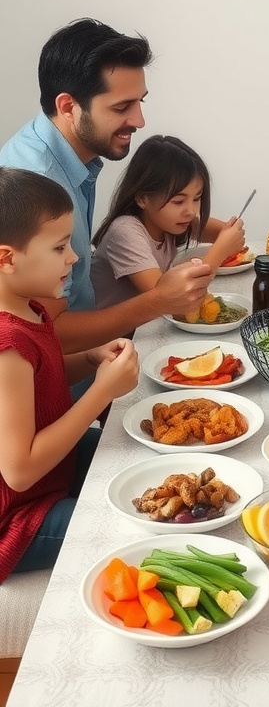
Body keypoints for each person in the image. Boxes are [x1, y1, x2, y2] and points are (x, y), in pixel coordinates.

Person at [0, 18, 211, 352]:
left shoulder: (69, 152)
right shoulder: (37, 183)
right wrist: (159, 300)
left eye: (140, 101)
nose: (140, 120)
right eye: (122, 107)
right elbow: (47, 331)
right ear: (68, 107)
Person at [0, 167, 139, 581]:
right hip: (19, 519)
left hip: (52, 474)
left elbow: (39, 377)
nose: (74, 257)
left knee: (135, 458)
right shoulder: (6, 345)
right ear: (7, 258)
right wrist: (100, 393)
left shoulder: (30, 306)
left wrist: (92, 358)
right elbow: (19, 471)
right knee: (131, 524)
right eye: (60, 247)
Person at [91, 134, 245, 311]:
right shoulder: (125, 231)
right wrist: (220, 251)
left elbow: (223, 231)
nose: (191, 211)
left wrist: (231, 234)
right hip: (113, 336)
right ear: (142, 198)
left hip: (143, 328)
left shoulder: (168, 222)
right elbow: (168, 298)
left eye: (197, 198)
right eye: (178, 201)